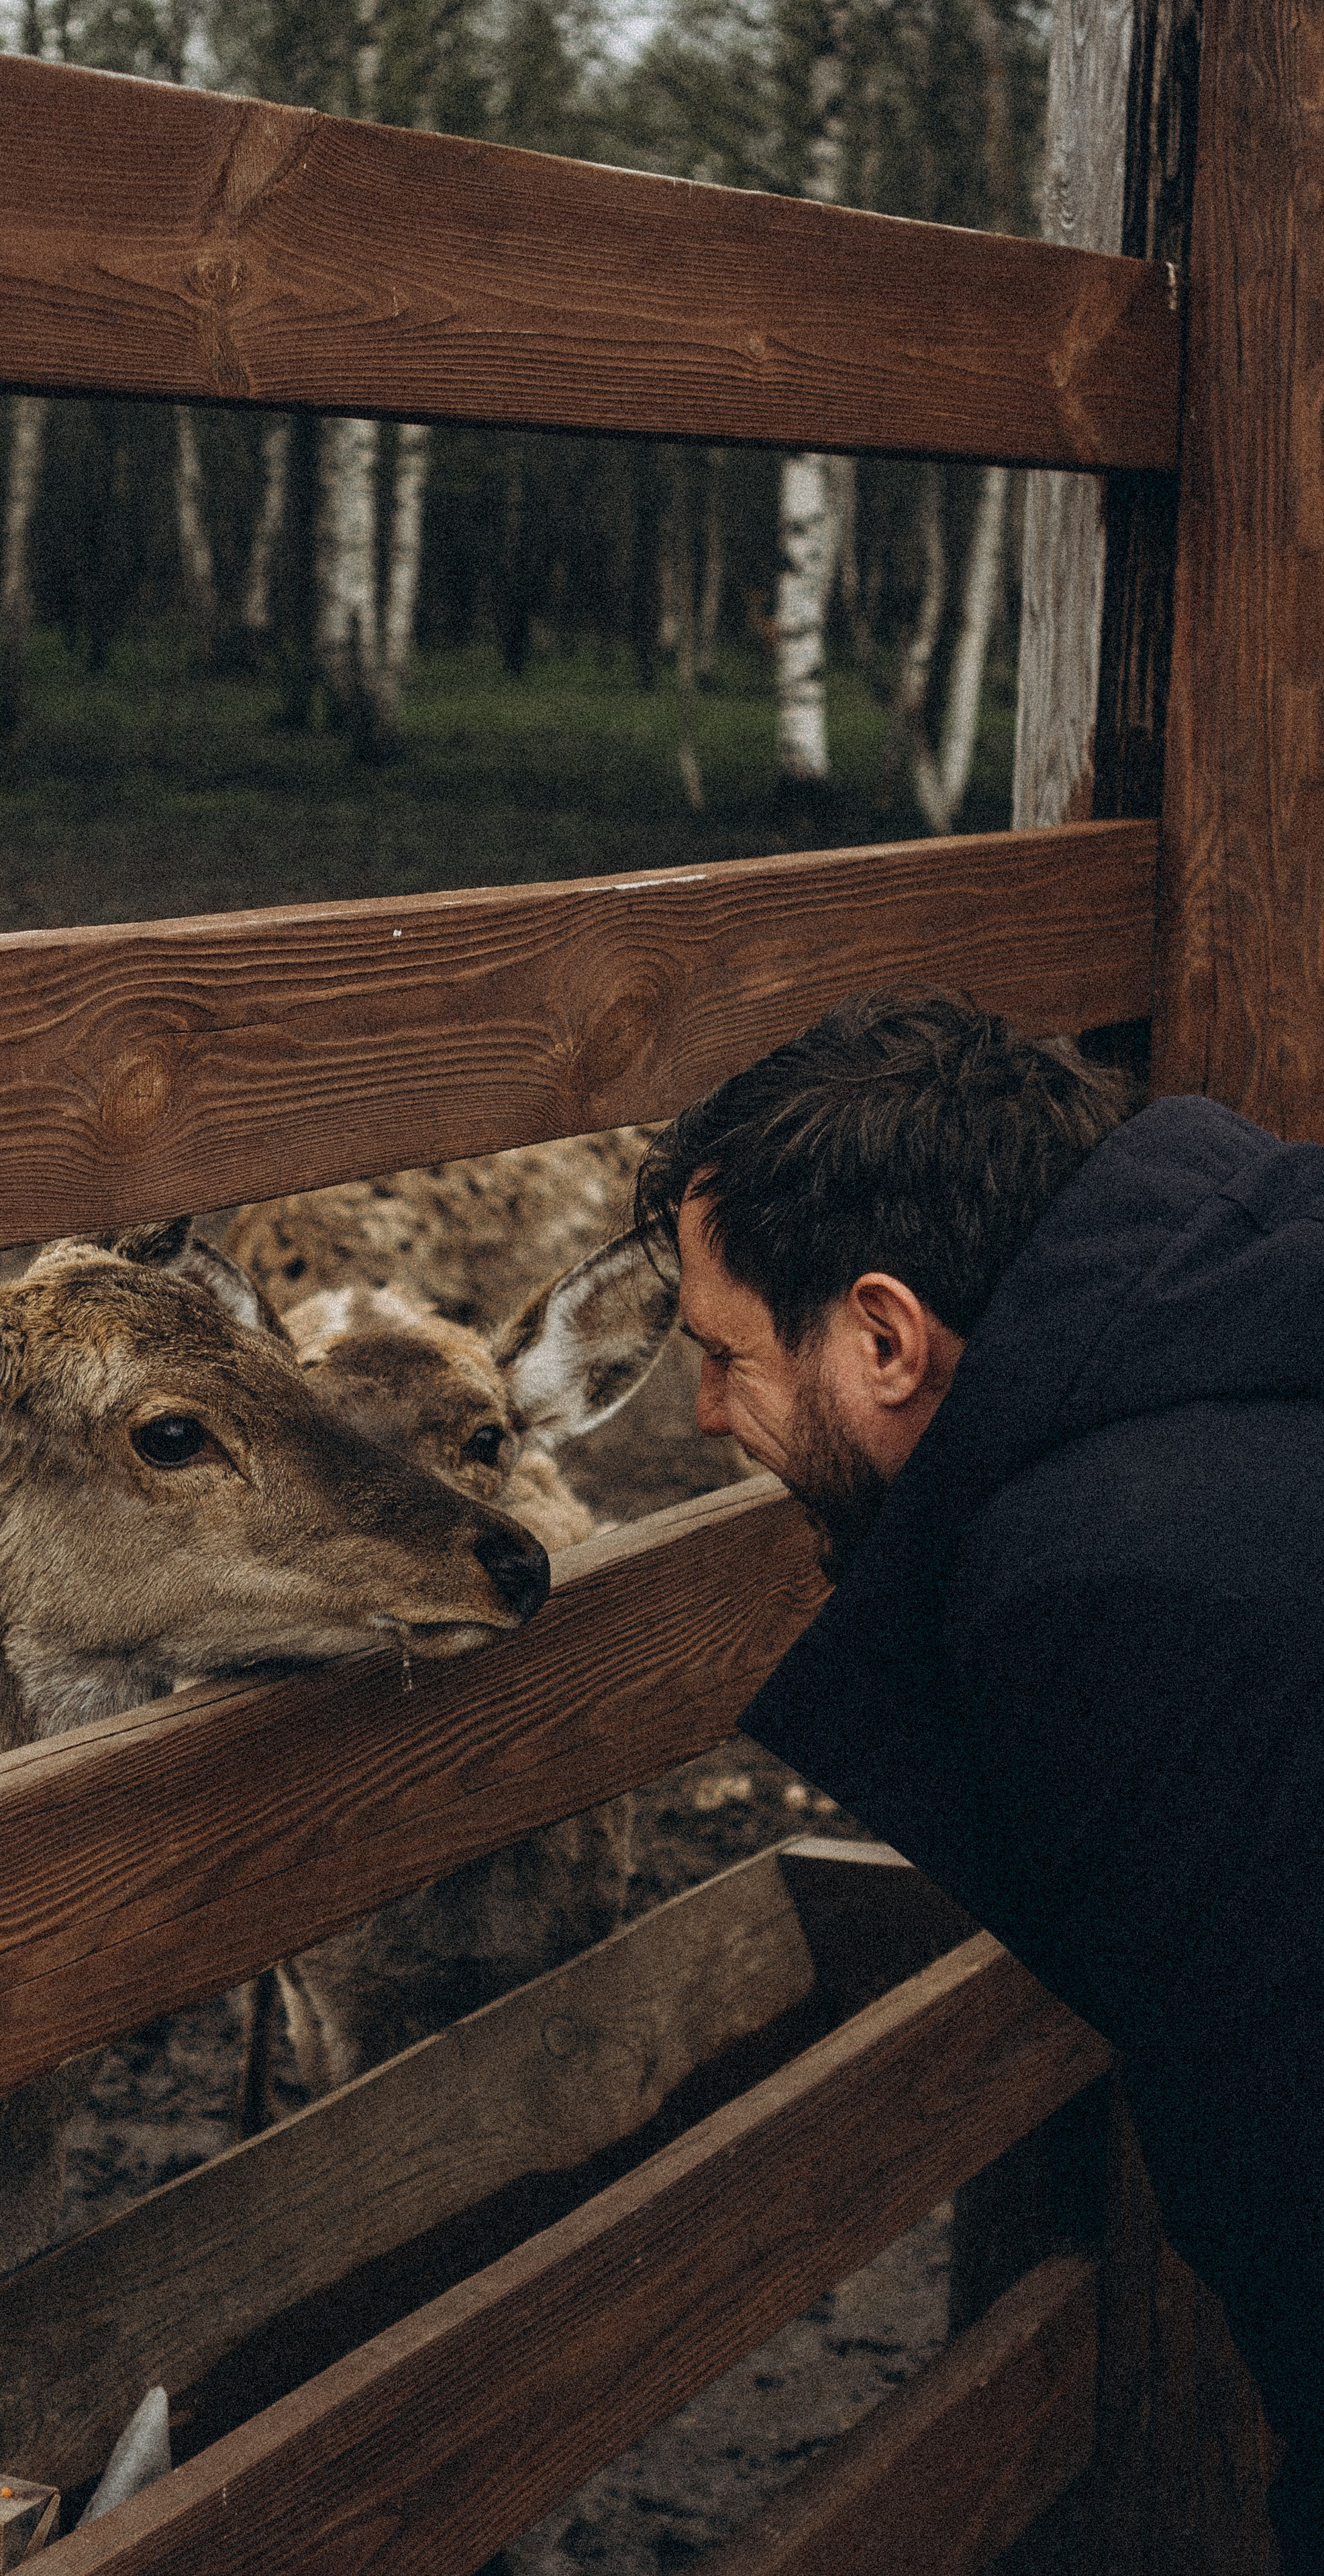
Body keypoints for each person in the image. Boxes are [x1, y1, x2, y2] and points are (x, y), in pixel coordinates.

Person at [635, 988, 1324, 2571]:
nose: (704, 1415)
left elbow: (1299, 2183)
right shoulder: (1252, 1303)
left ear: (882, 1335)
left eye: (726, 1357)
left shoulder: (1118, 1591)